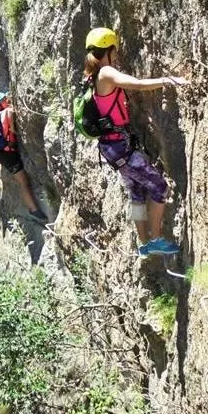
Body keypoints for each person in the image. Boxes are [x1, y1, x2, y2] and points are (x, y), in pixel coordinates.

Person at [84, 27, 188, 258]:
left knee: (138, 193)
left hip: (112, 147)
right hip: (121, 147)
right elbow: (136, 84)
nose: (117, 55)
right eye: (115, 51)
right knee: (160, 187)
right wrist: (168, 80)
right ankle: (156, 240)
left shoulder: (91, 77)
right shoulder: (106, 73)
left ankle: (143, 244)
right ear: (109, 50)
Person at [0, 92, 48, 223]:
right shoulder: (8, 112)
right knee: (23, 182)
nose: (7, 99)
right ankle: (33, 210)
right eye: (4, 99)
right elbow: (13, 130)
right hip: (8, 155)